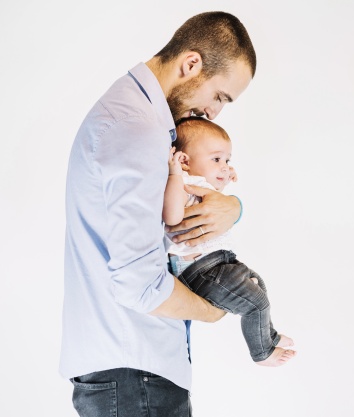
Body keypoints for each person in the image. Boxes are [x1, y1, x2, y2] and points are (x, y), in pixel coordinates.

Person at [61, 12, 256, 416]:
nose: (214, 113)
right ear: (191, 65)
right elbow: (138, 284)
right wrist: (215, 311)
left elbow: (180, 210)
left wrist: (234, 208)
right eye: (219, 96)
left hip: (128, 374)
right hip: (134, 375)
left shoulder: (139, 116)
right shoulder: (135, 126)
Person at [163, 117, 297, 367]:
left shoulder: (200, 183)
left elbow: (211, 201)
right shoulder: (181, 183)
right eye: (217, 159)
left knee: (259, 285)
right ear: (183, 160)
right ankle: (262, 353)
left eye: (227, 160)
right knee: (255, 303)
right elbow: (171, 216)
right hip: (199, 270)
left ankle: (269, 335)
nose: (224, 166)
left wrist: (222, 176)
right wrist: (174, 175)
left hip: (220, 262)